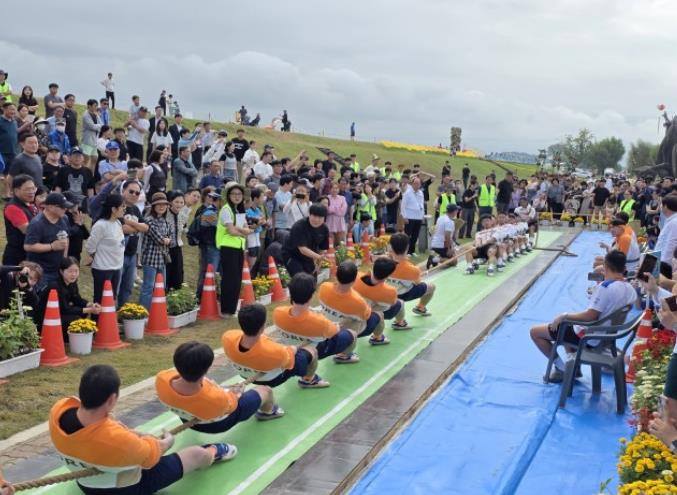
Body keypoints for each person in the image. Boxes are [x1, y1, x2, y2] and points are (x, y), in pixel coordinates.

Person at [50, 364, 232, 495]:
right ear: (112, 399)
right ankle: (214, 452)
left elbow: (111, 433)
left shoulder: (58, 411)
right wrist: (167, 442)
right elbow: (152, 455)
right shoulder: (117, 441)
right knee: (196, 454)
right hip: (123, 488)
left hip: (85, 483)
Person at [529, 249, 637, 382]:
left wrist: (564, 316)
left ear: (605, 266)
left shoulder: (605, 287)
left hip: (590, 338)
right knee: (570, 326)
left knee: (535, 332)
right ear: (624, 268)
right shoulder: (630, 289)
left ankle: (562, 369)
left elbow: (590, 316)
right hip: (607, 336)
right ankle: (574, 368)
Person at [156, 341, 282, 439]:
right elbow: (232, 404)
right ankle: (267, 412)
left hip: (186, 418)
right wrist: (236, 393)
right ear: (207, 369)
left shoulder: (161, 379)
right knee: (265, 390)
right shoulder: (216, 399)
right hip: (215, 425)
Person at [222, 303, 329, 390]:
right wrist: (292, 349)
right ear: (263, 326)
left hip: (244, 375)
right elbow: (288, 363)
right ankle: (308, 380)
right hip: (271, 379)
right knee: (312, 351)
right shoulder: (276, 352)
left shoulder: (227, 337)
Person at [274, 272, 359, 363]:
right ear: (311, 296)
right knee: (352, 333)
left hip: (290, 349)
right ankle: (344, 356)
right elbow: (335, 330)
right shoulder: (320, 322)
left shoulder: (277, 312)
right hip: (312, 351)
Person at [38, 257, 101, 341]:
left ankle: (67, 336)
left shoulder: (72, 283)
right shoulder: (55, 286)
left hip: (61, 313)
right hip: (46, 318)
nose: (73, 274)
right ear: (61, 271)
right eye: (70, 271)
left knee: (82, 313)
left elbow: (77, 299)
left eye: (76, 271)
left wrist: (91, 305)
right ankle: (61, 336)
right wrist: (89, 310)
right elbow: (65, 309)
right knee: (76, 318)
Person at [217, 183, 252, 318]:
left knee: (236, 279)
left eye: (239, 194)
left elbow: (246, 229)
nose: (237, 197)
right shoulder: (226, 209)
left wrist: (241, 230)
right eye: (234, 194)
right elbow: (232, 231)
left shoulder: (239, 210)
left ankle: (232, 309)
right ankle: (226, 310)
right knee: (229, 279)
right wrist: (243, 231)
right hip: (228, 247)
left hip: (238, 247)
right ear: (228, 196)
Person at [24, 192, 71, 287]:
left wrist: (64, 260)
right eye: (62, 207)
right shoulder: (37, 223)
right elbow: (28, 246)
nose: (65, 209)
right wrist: (51, 246)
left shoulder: (64, 219)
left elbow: (66, 239)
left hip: (58, 270)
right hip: (40, 272)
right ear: (50, 207)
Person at [86, 194, 125, 304]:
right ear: (113, 209)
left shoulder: (117, 222)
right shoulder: (101, 225)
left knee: (112, 300)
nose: (124, 209)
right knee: (100, 300)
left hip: (116, 268)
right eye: (122, 206)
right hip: (103, 269)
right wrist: (96, 257)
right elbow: (90, 246)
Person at [353, 257, 407, 336]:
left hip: (354, 312)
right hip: (364, 320)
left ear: (373, 266)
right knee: (399, 303)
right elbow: (391, 303)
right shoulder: (390, 291)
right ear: (388, 276)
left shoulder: (356, 276)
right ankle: (399, 324)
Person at [139, 192, 174, 309]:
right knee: (148, 286)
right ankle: (144, 312)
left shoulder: (166, 221)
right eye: (158, 204)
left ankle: (157, 311)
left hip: (162, 260)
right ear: (153, 206)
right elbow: (159, 239)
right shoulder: (149, 220)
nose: (162, 206)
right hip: (150, 259)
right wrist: (166, 240)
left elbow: (172, 241)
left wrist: (167, 240)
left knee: (161, 286)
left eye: (164, 204)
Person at [117, 180, 149, 307]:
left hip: (132, 255)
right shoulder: (117, 206)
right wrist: (137, 227)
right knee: (115, 288)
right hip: (118, 255)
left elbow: (145, 227)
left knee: (127, 288)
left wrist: (130, 223)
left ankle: (122, 312)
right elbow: (122, 229)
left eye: (137, 193)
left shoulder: (135, 209)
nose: (134, 195)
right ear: (123, 190)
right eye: (131, 191)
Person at [282, 204, 330, 277]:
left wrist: (318, 264)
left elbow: (322, 249)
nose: (316, 220)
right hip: (292, 255)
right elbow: (302, 249)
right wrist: (318, 257)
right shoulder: (299, 226)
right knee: (300, 277)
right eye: (314, 216)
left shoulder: (324, 229)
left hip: (310, 256)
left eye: (320, 217)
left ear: (324, 218)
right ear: (309, 215)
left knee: (312, 277)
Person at [193, 189, 221, 301]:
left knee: (210, 273)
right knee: (208, 273)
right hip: (209, 247)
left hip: (213, 246)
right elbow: (221, 225)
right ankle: (201, 298)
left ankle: (206, 297)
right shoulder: (208, 212)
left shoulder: (215, 211)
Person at [3, 175, 38, 265]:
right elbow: (28, 230)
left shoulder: (30, 204)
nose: (32, 192)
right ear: (16, 190)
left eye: (33, 188)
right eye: (27, 189)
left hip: (30, 253)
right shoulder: (12, 207)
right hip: (17, 257)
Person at [166, 191, 186, 291]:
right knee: (167, 272)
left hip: (177, 248)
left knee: (178, 274)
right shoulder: (165, 214)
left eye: (181, 202)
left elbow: (184, 228)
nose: (179, 204)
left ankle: (175, 294)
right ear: (171, 202)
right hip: (166, 248)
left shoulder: (182, 215)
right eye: (176, 202)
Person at [428, 203, 459, 268]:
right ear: (454, 212)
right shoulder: (449, 222)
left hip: (434, 243)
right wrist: (449, 249)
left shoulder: (441, 218)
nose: (457, 212)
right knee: (454, 261)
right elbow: (447, 237)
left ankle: (437, 257)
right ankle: (434, 259)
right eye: (457, 210)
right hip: (441, 245)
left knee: (452, 253)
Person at [401, 176, 425, 255]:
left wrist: (422, 215)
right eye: (415, 183)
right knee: (407, 235)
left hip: (418, 217)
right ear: (412, 184)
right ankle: (406, 251)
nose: (417, 185)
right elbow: (403, 206)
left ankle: (412, 250)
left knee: (415, 235)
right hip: (410, 217)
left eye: (418, 183)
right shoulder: (407, 193)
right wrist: (404, 217)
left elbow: (422, 204)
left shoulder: (421, 193)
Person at [655, 194, 677, 277]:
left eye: (661, 205)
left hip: (665, 265)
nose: (660, 207)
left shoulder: (674, 222)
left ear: (665, 207)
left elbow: (671, 244)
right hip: (661, 261)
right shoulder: (671, 220)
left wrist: (662, 265)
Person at [80, 99, 102, 170]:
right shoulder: (86, 115)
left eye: (96, 106)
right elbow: (92, 126)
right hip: (87, 141)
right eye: (95, 106)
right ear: (89, 106)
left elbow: (102, 125)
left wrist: (98, 126)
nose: (96, 107)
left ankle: (91, 175)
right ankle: (84, 174)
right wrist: (99, 126)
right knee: (86, 160)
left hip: (94, 141)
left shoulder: (96, 115)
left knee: (94, 159)